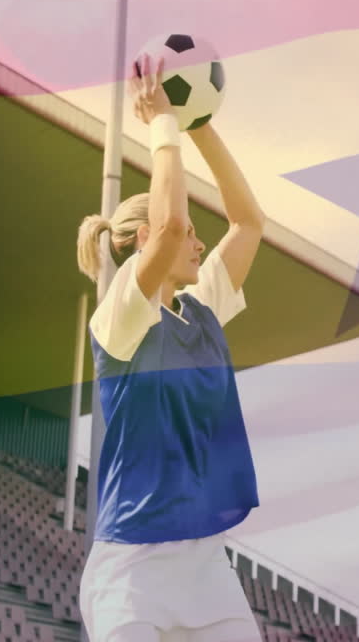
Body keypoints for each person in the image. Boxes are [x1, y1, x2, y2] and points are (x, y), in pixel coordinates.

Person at [74, 54, 266, 642]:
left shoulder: (202, 308)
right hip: (132, 567)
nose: (198, 241)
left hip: (206, 565)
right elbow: (176, 227)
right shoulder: (120, 319)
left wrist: (199, 123)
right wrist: (160, 126)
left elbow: (249, 223)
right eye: (181, 233)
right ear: (142, 241)